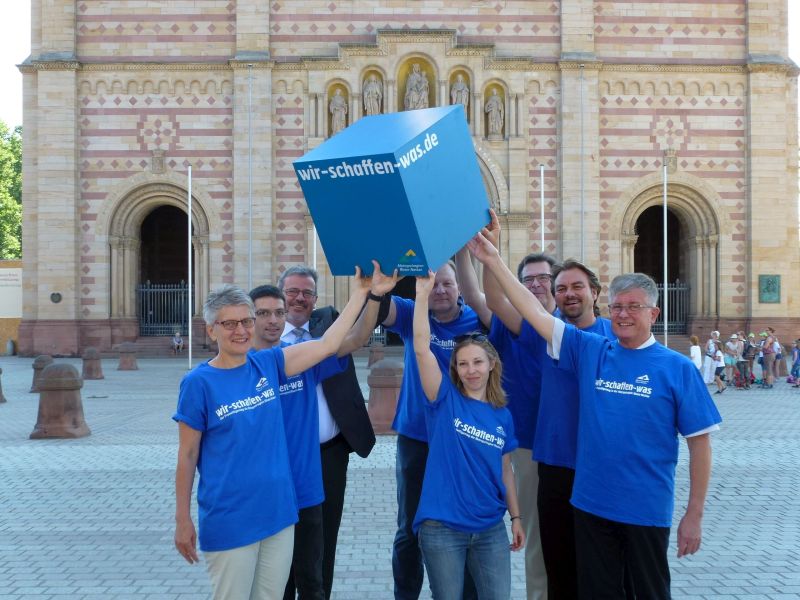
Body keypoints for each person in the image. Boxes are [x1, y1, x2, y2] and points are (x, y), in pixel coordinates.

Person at [468, 227, 721, 600]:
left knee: (645, 591)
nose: (623, 314)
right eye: (619, 306)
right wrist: (491, 259)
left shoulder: (676, 367)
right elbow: (530, 309)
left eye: (633, 307)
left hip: (645, 510)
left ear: (654, 312)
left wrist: (694, 514)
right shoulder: (592, 351)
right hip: (590, 506)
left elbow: (700, 446)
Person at [173, 276, 370, 600]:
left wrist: (361, 292)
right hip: (231, 517)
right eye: (230, 323)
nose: (241, 331)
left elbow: (327, 345)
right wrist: (182, 518)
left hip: (279, 513)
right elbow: (188, 455)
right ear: (211, 330)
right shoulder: (198, 382)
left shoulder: (268, 363)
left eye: (246, 321)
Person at [250, 266, 396, 600]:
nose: (299, 299)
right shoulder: (259, 357)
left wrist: (371, 294)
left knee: (319, 545)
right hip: (276, 465)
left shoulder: (317, 345)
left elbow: (354, 337)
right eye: (291, 292)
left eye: (307, 293)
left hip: (325, 456)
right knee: (277, 550)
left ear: (316, 298)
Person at [411, 271, 524, 600]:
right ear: (455, 369)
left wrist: (516, 518)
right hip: (442, 529)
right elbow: (421, 348)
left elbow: (506, 471)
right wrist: (421, 296)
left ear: (491, 364)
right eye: (463, 364)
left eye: (477, 362)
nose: (471, 370)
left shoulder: (503, 414)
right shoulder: (443, 399)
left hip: (490, 528)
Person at [380, 260, 487, 600]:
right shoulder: (414, 312)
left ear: (459, 288)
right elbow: (381, 308)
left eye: (447, 284)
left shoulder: (478, 320)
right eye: (433, 283)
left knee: (466, 524)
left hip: (465, 442)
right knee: (410, 527)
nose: (440, 290)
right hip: (418, 438)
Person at [455, 239, 552, 600]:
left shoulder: (557, 329)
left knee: (540, 535)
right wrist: (466, 249)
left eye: (544, 278)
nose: (537, 284)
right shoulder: (515, 321)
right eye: (529, 279)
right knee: (516, 533)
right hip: (506, 442)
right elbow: (480, 295)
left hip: (547, 445)